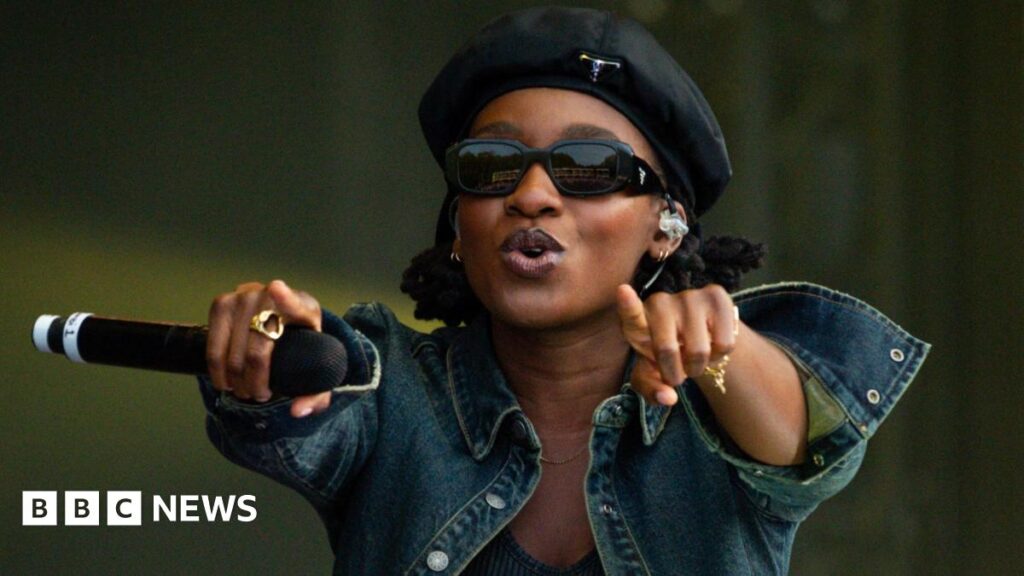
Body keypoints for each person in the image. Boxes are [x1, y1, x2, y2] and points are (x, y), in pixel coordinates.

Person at [199, 7, 929, 575]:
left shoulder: (718, 404)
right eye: (492, 165)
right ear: (460, 224)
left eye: (587, 164)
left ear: (666, 228)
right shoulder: (392, 395)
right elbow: (300, 405)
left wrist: (719, 350)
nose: (533, 194)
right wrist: (266, 343)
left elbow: (804, 447)